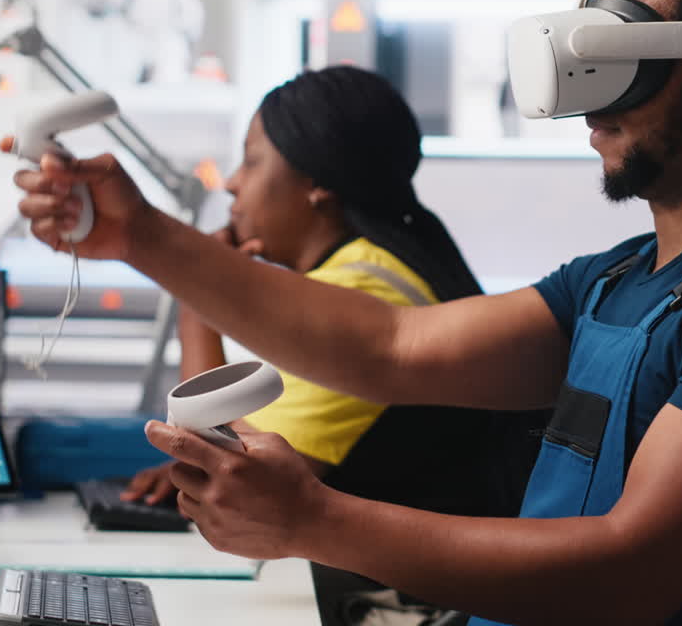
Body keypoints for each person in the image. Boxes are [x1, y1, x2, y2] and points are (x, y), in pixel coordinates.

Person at [10, 0, 682, 625]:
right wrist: (140, 235)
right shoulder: (619, 278)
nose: (588, 96)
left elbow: (627, 582)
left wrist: (313, 521)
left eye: (626, 61)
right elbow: (388, 347)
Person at [119, 66, 541, 520]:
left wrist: (198, 295)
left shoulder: (366, 286)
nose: (231, 182)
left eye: (252, 160)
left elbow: (227, 474)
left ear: (315, 182)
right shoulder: (371, 266)